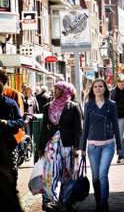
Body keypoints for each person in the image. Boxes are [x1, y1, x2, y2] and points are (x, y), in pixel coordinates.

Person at [38, 81, 82, 211]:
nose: (54, 91)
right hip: (51, 144)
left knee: (68, 172)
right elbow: (44, 129)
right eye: (54, 89)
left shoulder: (74, 107)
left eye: (57, 89)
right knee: (50, 171)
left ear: (65, 91)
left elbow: (78, 129)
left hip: (68, 145)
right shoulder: (47, 107)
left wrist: (78, 147)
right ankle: (49, 200)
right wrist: (40, 147)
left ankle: (67, 200)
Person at [80, 79, 121, 212]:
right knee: (95, 176)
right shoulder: (88, 105)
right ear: (92, 90)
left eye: (100, 86)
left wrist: (119, 146)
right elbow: (85, 126)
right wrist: (82, 147)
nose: (98, 89)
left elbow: (116, 125)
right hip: (92, 146)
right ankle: (98, 199)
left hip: (108, 144)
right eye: (95, 87)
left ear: (105, 89)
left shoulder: (112, 104)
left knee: (103, 175)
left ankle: (103, 203)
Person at [0, 82, 24, 192]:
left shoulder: (10, 103)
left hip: (9, 141)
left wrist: (7, 123)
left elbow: (20, 121)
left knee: (12, 166)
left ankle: (12, 188)